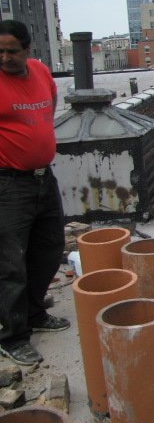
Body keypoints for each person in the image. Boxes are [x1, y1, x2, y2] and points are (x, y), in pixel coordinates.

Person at [0, 20, 70, 366]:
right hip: (8, 183)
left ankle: (34, 310)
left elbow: (51, 104)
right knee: (10, 262)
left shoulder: (41, 72)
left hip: (43, 179)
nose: (4, 57)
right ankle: (12, 335)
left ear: (28, 50)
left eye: (12, 51)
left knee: (49, 248)